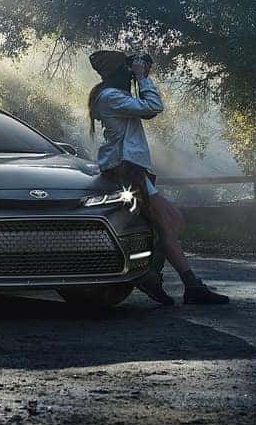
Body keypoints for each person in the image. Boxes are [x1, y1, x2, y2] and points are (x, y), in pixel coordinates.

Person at [88, 50, 229, 305]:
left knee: (174, 220)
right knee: (166, 225)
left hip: (133, 169)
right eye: (127, 68)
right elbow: (153, 107)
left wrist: (141, 77)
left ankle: (151, 274)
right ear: (118, 72)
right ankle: (189, 285)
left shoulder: (114, 96)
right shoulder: (110, 97)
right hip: (126, 170)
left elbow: (148, 110)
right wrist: (142, 78)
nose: (131, 72)